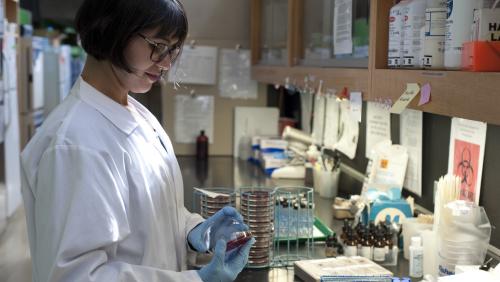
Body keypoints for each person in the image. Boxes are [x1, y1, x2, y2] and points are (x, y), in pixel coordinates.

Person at [20, 0, 254, 281]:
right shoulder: (75, 145)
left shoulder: (138, 116)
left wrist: (193, 231)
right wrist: (196, 280)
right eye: (157, 46)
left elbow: (151, 218)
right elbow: (78, 276)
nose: (167, 63)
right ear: (111, 30)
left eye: (173, 49)